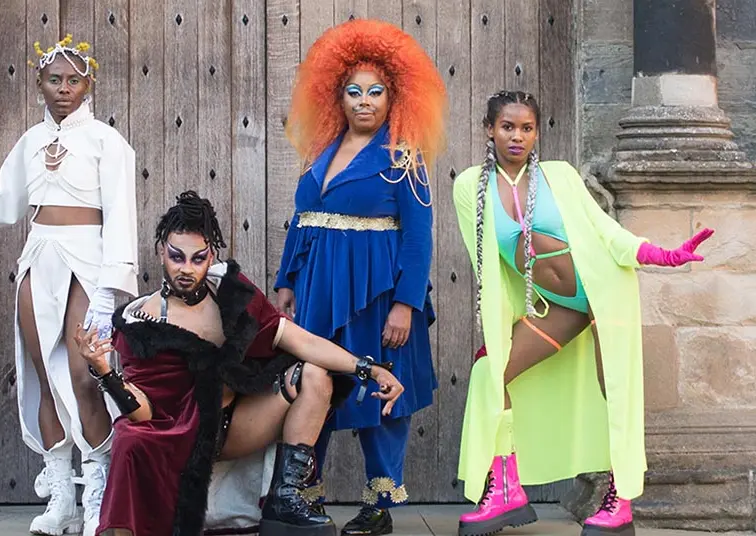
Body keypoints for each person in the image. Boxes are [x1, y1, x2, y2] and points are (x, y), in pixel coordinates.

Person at [451, 90, 713, 536]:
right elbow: (489, 268)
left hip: (602, 294)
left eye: (527, 128)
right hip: (557, 308)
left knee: (615, 392)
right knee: (489, 374)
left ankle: (620, 498)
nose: (517, 136)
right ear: (488, 130)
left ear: (537, 133)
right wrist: (502, 328)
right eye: (507, 127)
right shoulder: (468, 186)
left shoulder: (559, 177)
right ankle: (505, 490)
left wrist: (661, 254)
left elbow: (605, 231)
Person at [76, 191, 405, 536]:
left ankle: (286, 499)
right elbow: (143, 413)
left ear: (212, 255)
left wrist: (367, 368)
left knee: (313, 372)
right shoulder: (141, 322)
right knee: (133, 437)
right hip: (179, 434)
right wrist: (104, 370)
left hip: (235, 425)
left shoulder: (231, 295)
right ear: (161, 252)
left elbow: (301, 340)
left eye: (197, 258)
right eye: (177, 257)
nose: (186, 269)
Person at [0, 35, 138, 536]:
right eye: (54, 79)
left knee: (84, 376)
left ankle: (98, 496)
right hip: (40, 255)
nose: (64, 89)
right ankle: (61, 499)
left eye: (73, 80)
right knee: (41, 374)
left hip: (88, 259)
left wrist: (107, 292)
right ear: (39, 83)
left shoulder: (108, 141)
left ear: (88, 84)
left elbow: (122, 216)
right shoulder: (31, 142)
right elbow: (8, 203)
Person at [274, 18, 447, 536]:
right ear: (339, 97)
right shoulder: (317, 156)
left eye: (376, 92)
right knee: (317, 384)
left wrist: (405, 304)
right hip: (320, 292)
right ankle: (303, 492)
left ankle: (379, 506)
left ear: (395, 99)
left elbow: (419, 239)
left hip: (379, 296)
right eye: (354, 91)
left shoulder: (404, 160)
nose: (365, 101)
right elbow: (302, 222)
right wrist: (286, 281)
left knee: (381, 395)